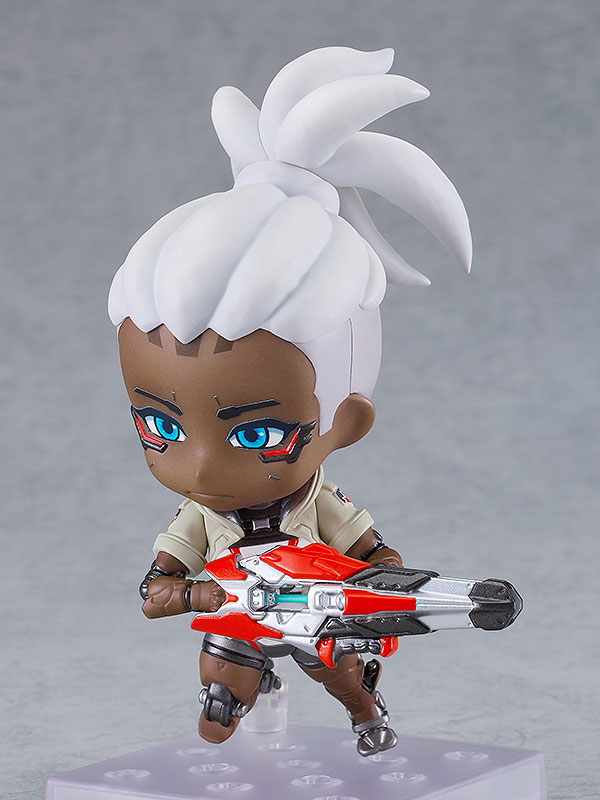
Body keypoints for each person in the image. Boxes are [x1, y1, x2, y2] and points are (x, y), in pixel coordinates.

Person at [108, 45, 472, 756]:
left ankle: (366, 712)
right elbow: (156, 590)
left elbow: (367, 548)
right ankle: (247, 704)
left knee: (343, 677)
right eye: (159, 425)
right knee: (218, 707)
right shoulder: (200, 514)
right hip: (238, 620)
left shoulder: (314, 502)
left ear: (348, 420)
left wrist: (380, 577)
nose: (201, 467)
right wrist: (191, 594)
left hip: (314, 611)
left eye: (255, 435)